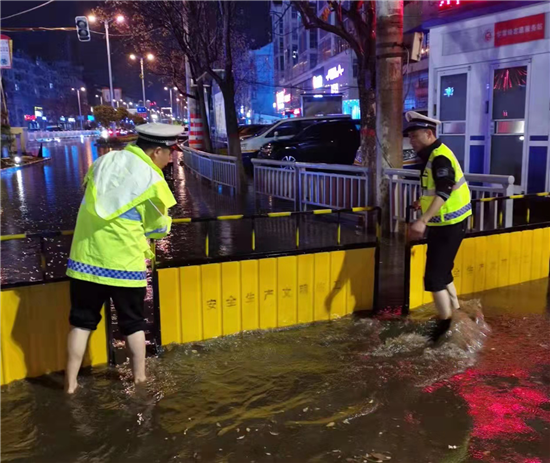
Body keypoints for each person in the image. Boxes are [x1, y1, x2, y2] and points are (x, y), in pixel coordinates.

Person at [64, 123, 180, 393]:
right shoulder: (152, 179)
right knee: (133, 324)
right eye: (169, 153)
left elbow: (90, 195)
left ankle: (69, 385)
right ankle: (139, 379)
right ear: (156, 152)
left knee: (81, 323)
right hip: (123, 264)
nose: (171, 159)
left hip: (85, 259)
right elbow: (158, 228)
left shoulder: (103, 161)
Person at [404, 111, 472, 343]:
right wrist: (420, 204)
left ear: (429, 133)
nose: (411, 141)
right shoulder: (434, 155)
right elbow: (436, 191)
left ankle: (444, 329)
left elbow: (444, 190)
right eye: (410, 137)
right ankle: (455, 313)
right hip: (450, 224)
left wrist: (422, 220)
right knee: (443, 272)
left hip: (448, 225)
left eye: (414, 136)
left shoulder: (439, 157)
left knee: (434, 279)